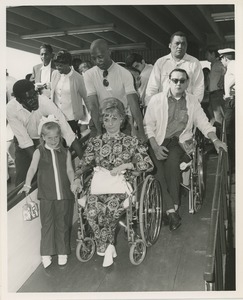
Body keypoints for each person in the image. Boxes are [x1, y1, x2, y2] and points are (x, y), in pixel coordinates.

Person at [144, 68, 227, 231]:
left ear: (187, 83)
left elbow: (203, 122)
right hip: (157, 142)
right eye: (175, 80)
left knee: (172, 164)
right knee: (156, 170)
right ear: (169, 80)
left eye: (182, 80)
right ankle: (172, 210)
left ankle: (171, 209)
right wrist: (155, 146)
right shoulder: (156, 100)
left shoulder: (192, 101)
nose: (178, 83)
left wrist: (215, 140)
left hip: (180, 143)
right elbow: (148, 126)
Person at [74, 98, 153, 267]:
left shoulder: (131, 142)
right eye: (106, 119)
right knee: (92, 211)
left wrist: (126, 165)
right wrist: (76, 179)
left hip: (121, 184)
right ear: (102, 121)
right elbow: (83, 164)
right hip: (98, 185)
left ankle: (106, 248)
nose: (110, 123)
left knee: (110, 210)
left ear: (122, 120)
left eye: (114, 119)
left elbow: (148, 164)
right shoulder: (95, 142)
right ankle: (108, 246)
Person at [18, 117, 81, 268]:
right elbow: (32, 168)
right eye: (49, 138)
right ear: (43, 137)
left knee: (63, 224)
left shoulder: (65, 152)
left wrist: (73, 182)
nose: (53, 141)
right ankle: (46, 254)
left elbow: (69, 170)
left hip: (64, 194)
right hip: (46, 195)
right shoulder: (39, 152)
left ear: (60, 136)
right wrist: (27, 184)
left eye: (56, 137)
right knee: (47, 224)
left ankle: (62, 252)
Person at [6, 79, 83, 186]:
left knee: (55, 176)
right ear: (19, 100)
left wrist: (85, 161)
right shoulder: (10, 109)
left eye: (34, 95)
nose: (34, 100)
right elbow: (25, 141)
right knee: (23, 180)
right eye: (28, 98)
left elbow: (67, 132)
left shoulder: (44, 101)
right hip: (23, 143)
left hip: (45, 139)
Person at [83, 39, 147, 142]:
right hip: (98, 120)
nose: (97, 61)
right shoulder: (88, 75)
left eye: (100, 57)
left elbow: (133, 104)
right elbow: (93, 105)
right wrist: (99, 131)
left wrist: (141, 132)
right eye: (94, 58)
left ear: (109, 52)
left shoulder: (125, 73)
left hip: (121, 121)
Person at [145, 31, 204, 106]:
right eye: (177, 43)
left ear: (186, 46)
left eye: (183, 44)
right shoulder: (160, 63)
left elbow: (199, 87)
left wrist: (194, 106)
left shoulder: (194, 63)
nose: (180, 46)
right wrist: (150, 105)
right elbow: (152, 86)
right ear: (170, 45)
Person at [51, 50, 87, 139]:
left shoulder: (78, 78)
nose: (58, 67)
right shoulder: (55, 74)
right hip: (56, 116)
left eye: (61, 65)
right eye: (57, 65)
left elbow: (86, 98)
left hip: (71, 117)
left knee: (69, 141)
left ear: (68, 64)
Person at [218, 48, 235, 173]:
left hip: (233, 101)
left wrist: (229, 90)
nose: (222, 62)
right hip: (231, 99)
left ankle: (230, 167)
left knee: (228, 133)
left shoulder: (233, 64)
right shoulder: (231, 67)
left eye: (221, 59)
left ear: (225, 58)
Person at [205, 48, 225, 126]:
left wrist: (221, 81)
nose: (206, 56)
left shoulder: (219, 63)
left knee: (219, 117)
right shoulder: (213, 65)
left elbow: (224, 71)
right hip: (212, 94)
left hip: (217, 93)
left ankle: (222, 136)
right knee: (212, 115)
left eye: (207, 54)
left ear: (213, 54)